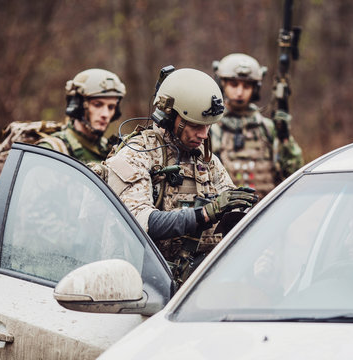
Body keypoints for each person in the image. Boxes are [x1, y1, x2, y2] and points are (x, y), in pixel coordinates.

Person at [103, 68, 258, 284]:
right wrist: (203, 214)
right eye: (196, 126)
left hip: (198, 286)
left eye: (208, 127)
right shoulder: (136, 153)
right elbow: (139, 221)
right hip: (143, 287)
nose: (204, 135)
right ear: (169, 117)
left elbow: (230, 206)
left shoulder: (207, 160)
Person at [211, 53, 304, 198]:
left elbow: (294, 171)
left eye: (246, 86)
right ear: (222, 84)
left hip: (265, 211)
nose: (240, 92)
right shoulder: (210, 128)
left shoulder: (267, 128)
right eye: (234, 85)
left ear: (255, 88)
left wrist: (284, 137)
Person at [37, 68, 126, 164]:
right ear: (77, 106)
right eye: (97, 105)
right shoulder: (51, 151)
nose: (105, 114)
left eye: (111, 107)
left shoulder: (112, 151)